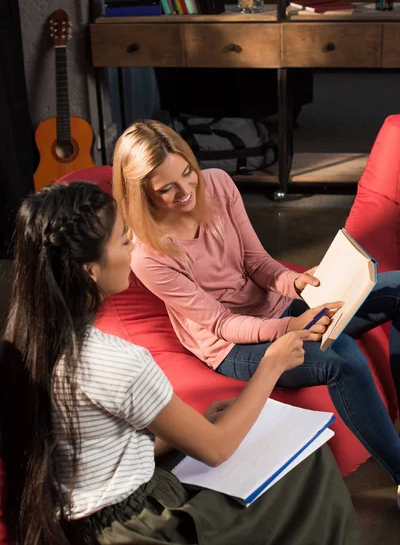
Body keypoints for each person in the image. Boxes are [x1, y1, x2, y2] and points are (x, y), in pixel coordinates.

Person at [0, 181, 362, 545]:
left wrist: (193, 426)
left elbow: (92, 448)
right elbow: (217, 449)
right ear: (89, 269)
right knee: (307, 462)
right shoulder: (118, 360)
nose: (134, 250)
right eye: (125, 241)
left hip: (74, 523)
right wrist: (272, 364)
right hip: (140, 527)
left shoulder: (23, 346)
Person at [113, 118, 400, 506]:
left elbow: (256, 261)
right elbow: (220, 323)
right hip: (230, 346)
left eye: (186, 174)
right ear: (142, 193)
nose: (185, 192)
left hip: (278, 307)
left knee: (396, 286)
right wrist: (288, 328)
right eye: (166, 188)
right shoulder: (147, 255)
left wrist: (294, 284)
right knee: (342, 356)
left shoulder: (216, 183)